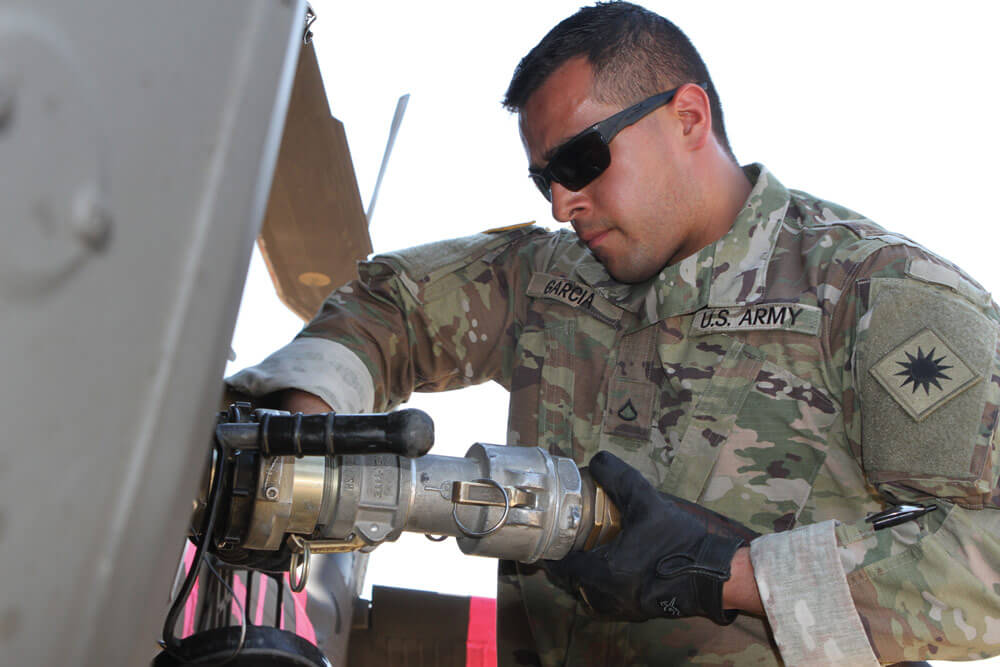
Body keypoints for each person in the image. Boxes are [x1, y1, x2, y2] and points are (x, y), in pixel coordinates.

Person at [227, 2, 1000, 665]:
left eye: (581, 160)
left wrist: (730, 573)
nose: (564, 202)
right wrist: (306, 427)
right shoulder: (550, 282)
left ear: (688, 117)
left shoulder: (873, 297)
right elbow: (389, 305)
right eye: (545, 179)